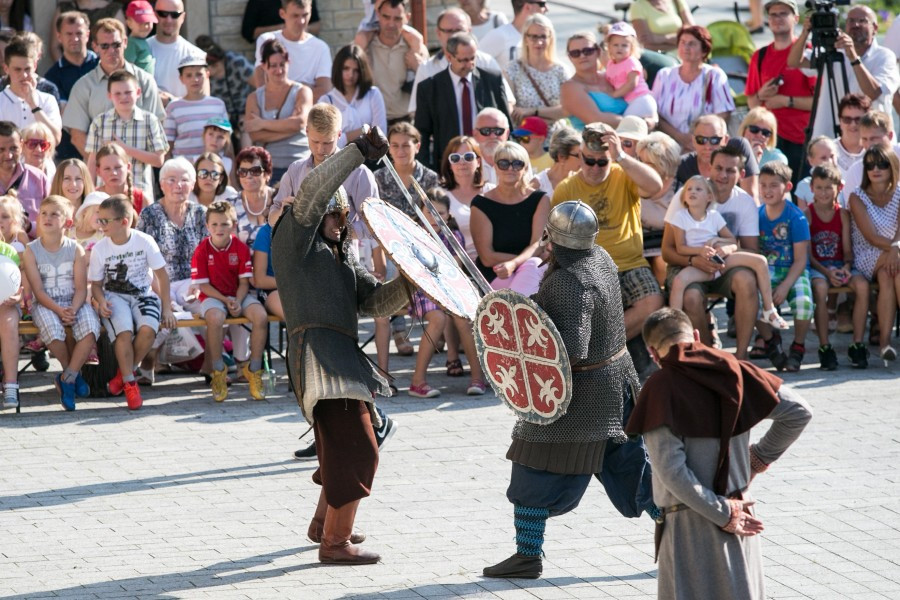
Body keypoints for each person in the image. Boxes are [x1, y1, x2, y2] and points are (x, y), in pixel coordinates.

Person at [483, 201, 653, 580]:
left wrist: (522, 328)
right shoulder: (602, 258)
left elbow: (570, 350)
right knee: (631, 467)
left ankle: (527, 555)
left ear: (553, 238)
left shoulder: (566, 281)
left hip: (577, 397)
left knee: (532, 464)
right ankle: (679, 529)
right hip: (616, 384)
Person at [270, 126, 410, 565]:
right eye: (333, 215)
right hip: (318, 358)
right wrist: (356, 154)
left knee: (345, 445)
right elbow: (313, 190)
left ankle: (322, 526)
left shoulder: (342, 255)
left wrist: (412, 279)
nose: (338, 223)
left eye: (342, 218)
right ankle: (335, 543)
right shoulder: (295, 237)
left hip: (343, 359)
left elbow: (374, 300)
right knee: (359, 451)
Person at [627, 307, 812, 600]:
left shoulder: (659, 389)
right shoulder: (736, 370)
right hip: (741, 516)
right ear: (697, 336)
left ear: (652, 352)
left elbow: (672, 472)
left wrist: (723, 512)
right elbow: (799, 412)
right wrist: (758, 458)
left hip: (690, 526)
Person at [552, 123, 664, 356]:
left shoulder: (624, 175)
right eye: (588, 160)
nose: (594, 167)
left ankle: (600, 349)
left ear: (610, 159)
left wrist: (621, 156)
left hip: (630, 263)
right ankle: (601, 352)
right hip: (587, 269)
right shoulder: (566, 188)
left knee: (652, 301)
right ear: (580, 156)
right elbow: (556, 239)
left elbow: (655, 186)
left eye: (602, 161)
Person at [662, 146, 762, 360]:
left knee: (746, 279)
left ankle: (741, 358)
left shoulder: (744, 202)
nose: (723, 175)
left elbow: (751, 251)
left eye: (730, 170)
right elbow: (667, 251)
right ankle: (709, 358)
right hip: (687, 265)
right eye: (718, 168)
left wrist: (726, 249)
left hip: (723, 266)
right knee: (691, 296)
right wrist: (693, 259)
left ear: (741, 174)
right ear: (709, 168)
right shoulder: (687, 194)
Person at [667, 175, 788, 330]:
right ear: (683, 196)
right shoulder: (681, 217)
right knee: (679, 281)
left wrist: (719, 243)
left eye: (698, 189)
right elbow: (681, 248)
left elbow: (731, 240)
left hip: (721, 261)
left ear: (709, 197)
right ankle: (674, 322)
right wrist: (700, 251)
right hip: (700, 265)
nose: (693, 192)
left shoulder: (714, 216)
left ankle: (769, 310)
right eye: (689, 189)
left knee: (761, 261)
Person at [89, 195, 176, 410]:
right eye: (100, 220)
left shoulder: (144, 241)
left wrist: (166, 308)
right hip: (114, 297)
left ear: (124, 221)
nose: (100, 225)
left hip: (142, 295)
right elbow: (96, 285)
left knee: (148, 329)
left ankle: (124, 372)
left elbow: (162, 277)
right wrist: (100, 301)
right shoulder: (100, 249)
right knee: (124, 332)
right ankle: (129, 383)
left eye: (105, 221)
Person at [22, 195, 99, 410]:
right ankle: (72, 374)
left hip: (74, 301)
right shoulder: (31, 251)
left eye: (54, 214)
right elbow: (37, 289)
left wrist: (72, 308)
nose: (47, 218)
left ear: (67, 221)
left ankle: (67, 378)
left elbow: (81, 288)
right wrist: (58, 310)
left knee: (90, 328)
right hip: (46, 303)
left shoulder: (75, 249)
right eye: (44, 213)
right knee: (52, 329)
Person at [407, 188, 486, 398]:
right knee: (438, 319)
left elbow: (455, 271)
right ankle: (418, 381)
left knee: (462, 318)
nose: (434, 217)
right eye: (429, 212)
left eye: (440, 213)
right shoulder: (413, 235)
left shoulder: (453, 237)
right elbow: (411, 271)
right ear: (420, 212)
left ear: (448, 215)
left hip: (447, 288)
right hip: (423, 289)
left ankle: (478, 377)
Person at [191, 200, 269, 402]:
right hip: (213, 297)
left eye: (224, 224)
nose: (219, 228)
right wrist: (226, 301)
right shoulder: (201, 250)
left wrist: (237, 300)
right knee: (215, 318)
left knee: (260, 317)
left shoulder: (241, 248)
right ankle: (218, 371)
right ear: (207, 226)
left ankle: (254, 369)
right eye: (214, 224)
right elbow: (204, 286)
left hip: (239, 295)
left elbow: (244, 283)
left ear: (233, 225)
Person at [788, 5, 900, 140]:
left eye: (863, 21)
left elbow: (873, 93)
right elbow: (794, 62)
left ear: (875, 28)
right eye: (851, 21)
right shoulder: (834, 52)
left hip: (872, 139)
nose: (856, 25)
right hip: (832, 139)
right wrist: (805, 33)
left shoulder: (885, 56)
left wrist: (853, 56)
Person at [63, 18, 165, 160]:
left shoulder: (145, 81)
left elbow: (156, 131)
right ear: (95, 46)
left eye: (116, 45)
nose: (111, 51)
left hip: (139, 173)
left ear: (125, 43)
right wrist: (104, 167)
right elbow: (77, 136)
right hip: (101, 176)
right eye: (104, 46)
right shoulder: (83, 86)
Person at [414, 33, 511, 172]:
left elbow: (506, 123)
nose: (470, 64)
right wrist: (426, 170)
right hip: (450, 163)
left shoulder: (492, 80)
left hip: (489, 163)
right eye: (463, 60)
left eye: (473, 58)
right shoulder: (430, 88)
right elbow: (422, 132)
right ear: (449, 57)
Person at [745, 0, 815, 186]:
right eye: (773, 14)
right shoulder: (759, 56)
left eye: (783, 14)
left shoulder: (807, 54)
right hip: (768, 140)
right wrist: (761, 94)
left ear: (796, 18)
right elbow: (752, 103)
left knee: (798, 193)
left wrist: (785, 100)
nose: (777, 19)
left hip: (801, 141)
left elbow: (819, 101)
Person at [803, 164, 864, 370]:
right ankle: (825, 347)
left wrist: (846, 267)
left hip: (840, 264)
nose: (823, 192)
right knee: (820, 288)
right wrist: (827, 272)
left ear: (839, 188)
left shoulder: (843, 214)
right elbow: (808, 255)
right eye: (819, 187)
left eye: (829, 187)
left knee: (862, 286)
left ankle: (857, 344)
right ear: (811, 188)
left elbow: (847, 249)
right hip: (819, 267)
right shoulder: (808, 214)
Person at [471, 141, 549, 295]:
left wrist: (514, 264)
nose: (510, 168)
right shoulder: (481, 203)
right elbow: (487, 257)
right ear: (495, 166)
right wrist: (520, 262)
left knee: (535, 265)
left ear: (526, 167)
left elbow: (537, 244)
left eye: (517, 163)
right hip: (494, 271)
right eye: (504, 163)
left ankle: (512, 314)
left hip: (528, 267)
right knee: (535, 265)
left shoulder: (540, 199)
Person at [756, 162, 812, 372]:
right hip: (766, 270)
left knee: (804, 303)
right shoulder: (757, 214)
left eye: (773, 185)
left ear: (787, 187)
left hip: (793, 270)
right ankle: (771, 341)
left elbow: (800, 259)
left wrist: (785, 285)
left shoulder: (795, 217)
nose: (767, 190)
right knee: (753, 300)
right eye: (763, 185)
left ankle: (798, 346)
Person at [848, 142, 900, 364]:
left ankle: (885, 344)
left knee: (890, 276)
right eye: (870, 165)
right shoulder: (857, 197)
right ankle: (885, 343)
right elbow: (870, 237)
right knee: (894, 269)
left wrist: (897, 248)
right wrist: (896, 248)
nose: (876, 169)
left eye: (882, 164)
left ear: (892, 167)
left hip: (895, 253)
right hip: (867, 253)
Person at [407, 7, 508, 117]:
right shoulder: (427, 69)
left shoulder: (486, 62)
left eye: (459, 30)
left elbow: (507, 101)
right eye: (449, 31)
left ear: (469, 31)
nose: (454, 35)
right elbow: (417, 111)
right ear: (438, 33)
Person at [85, 69, 168, 200]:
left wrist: (126, 149)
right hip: (105, 196)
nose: (123, 97)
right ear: (109, 96)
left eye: (128, 92)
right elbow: (92, 161)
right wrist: (89, 193)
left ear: (138, 92)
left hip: (140, 195)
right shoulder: (99, 122)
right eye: (117, 93)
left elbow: (158, 160)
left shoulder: (150, 121)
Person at [652, 25, 734, 150]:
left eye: (692, 44)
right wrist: (679, 137)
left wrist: (699, 139)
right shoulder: (664, 75)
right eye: (683, 42)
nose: (686, 47)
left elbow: (723, 114)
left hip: (704, 147)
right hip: (666, 147)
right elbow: (654, 114)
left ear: (704, 50)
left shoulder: (714, 75)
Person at [244, 37, 313, 184]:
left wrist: (262, 123)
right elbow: (255, 133)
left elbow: (300, 122)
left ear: (289, 63)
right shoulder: (254, 97)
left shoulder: (302, 91)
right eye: (273, 65)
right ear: (264, 67)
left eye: (282, 64)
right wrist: (289, 127)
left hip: (300, 164)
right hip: (269, 168)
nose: (279, 70)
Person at [43, 11, 98, 161]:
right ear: (59, 37)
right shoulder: (52, 77)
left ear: (87, 34)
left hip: (106, 152)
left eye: (79, 33)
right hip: (68, 155)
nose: (74, 38)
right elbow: (65, 116)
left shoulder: (102, 65)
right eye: (68, 34)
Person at [366, 0, 429, 127]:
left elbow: (431, 89)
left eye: (397, 19)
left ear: (407, 18)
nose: (391, 24)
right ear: (377, 14)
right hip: (373, 123)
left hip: (406, 123)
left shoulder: (415, 48)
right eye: (386, 17)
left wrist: (419, 68)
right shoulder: (366, 46)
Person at [255, 0, 332, 101]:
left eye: (305, 15)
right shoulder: (267, 41)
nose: (301, 21)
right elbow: (262, 89)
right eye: (295, 15)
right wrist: (305, 88)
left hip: (308, 112)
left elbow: (324, 92)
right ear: (282, 14)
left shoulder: (321, 47)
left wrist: (280, 88)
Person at [675, 114, 760, 199]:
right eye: (701, 140)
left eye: (714, 140)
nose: (707, 147)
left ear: (726, 140)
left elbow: (751, 196)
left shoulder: (738, 149)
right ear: (693, 140)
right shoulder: (682, 164)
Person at [636, 130, 681, 286]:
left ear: (663, 164)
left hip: (668, 249)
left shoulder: (680, 191)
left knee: (662, 262)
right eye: (638, 160)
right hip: (637, 249)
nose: (639, 167)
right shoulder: (633, 184)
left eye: (645, 163)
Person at [505, 13, 567, 126]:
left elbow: (567, 109)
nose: (539, 42)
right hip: (526, 137)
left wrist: (533, 112)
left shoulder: (560, 70)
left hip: (555, 138)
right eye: (534, 37)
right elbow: (510, 109)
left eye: (543, 36)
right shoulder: (513, 69)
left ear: (550, 38)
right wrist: (549, 116)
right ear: (525, 38)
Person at [320, 44, 387, 146]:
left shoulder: (373, 94)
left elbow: (380, 136)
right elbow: (327, 142)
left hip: (371, 159)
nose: (350, 75)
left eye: (356, 70)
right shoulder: (326, 101)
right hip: (339, 160)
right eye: (346, 68)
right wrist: (364, 130)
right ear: (338, 68)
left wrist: (343, 136)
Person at [164, 56, 227, 161]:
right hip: (184, 170)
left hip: (212, 169)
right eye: (189, 75)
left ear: (207, 74)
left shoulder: (218, 105)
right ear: (181, 79)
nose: (195, 79)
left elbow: (227, 141)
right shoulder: (173, 107)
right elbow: (167, 146)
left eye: (199, 74)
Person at [0, 38, 62, 144]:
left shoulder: (48, 99)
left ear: (35, 66)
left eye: (27, 69)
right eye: (17, 69)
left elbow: (55, 139)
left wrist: (34, 106)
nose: (23, 75)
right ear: (6, 69)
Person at [439, 135, 491, 260]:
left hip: (491, 264)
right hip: (455, 265)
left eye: (468, 157)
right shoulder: (440, 195)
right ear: (449, 164)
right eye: (455, 158)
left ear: (478, 162)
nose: (462, 162)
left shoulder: (492, 191)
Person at [560, 32, 626, 131]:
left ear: (598, 51)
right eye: (575, 53)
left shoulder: (610, 77)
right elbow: (596, 121)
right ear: (570, 58)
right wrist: (638, 121)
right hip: (595, 144)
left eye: (587, 51)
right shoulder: (570, 87)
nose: (582, 56)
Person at [195, 35, 256, 141]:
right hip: (221, 116)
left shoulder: (236, 62)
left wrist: (250, 112)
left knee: (245, 129)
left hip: (246, 112)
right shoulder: (203, 77)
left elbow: (260, 85)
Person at [145, 0, 205, 101]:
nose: (168, 20)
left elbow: (202, 102)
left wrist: (170, 102)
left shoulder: (197, 55)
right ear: (155, 15)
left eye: (174, 15)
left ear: (183, 17)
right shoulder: (139, 50)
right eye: (163, 14)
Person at [0, 120, 50, 235]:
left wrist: (29, 226)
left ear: (22, 146)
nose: (9, 155)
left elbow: (55, 223)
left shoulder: (38, 178)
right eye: (1, 150)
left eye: (13, 148)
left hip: (30, 250)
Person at [604, 22, 657, 127]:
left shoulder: (631, 62)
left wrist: (615, 94)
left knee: (625, 126)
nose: (619, 48)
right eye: (615, 45)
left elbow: (632, 83)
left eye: (624, 45)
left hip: (642, 100)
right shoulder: (611, 64)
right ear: (609, 47)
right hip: (632, 102)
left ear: (632, 48)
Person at [479, 0, 548, 71]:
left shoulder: (543, 38)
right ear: (527, 7)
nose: (546, 9)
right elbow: (476, 62)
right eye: (542, 4)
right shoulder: (499, 35)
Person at [231, 146, 275, 247]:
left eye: (255, 171)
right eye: (243, 171)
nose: (248, 176)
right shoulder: (230, 205)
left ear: (267, 174)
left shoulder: (279, 200)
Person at [793, 136, 844, 211]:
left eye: (832, 156)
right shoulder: (803, 186)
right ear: (811, 160)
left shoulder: (843, 185)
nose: (829, 161)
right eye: (823, 158)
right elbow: (803, 218)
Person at [0, 231, 21, 409]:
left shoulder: (9, 252)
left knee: (8, 323)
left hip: (6, 304)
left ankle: (11, 385)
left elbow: (20, 284)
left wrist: (18, 297)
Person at [531, 126, 581, 195]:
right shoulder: (536, 185)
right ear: (561, 157)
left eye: (583, 155)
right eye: (578, 156)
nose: (583, 160)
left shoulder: (582, 181)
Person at [629, 0, 695, 53]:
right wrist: (679, 41)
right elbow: (644, 42)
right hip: (659, 56)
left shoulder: (677, 2)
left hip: (686, 55)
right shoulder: (638, 6)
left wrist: (658, 39)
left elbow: (693, 33)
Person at [834, 93, 870, 172]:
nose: (853, 124)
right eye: (847, 119)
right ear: (840, 122)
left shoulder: (874, 151)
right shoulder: (828, 151)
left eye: (858, 120)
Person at [123, 0, 155, 75]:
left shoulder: (143, 41)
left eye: (148, 22)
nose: (145, 26)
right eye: (140, 22)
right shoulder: (131, 43)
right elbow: (127, 71)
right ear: (129, 23)